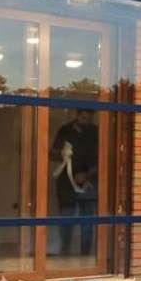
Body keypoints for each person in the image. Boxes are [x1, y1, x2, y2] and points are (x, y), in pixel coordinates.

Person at [51, 109, 99, 257]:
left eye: (89, 117)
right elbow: (52, 153)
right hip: (67, 184)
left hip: (89, 183)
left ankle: (86, 256)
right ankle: (64, 252)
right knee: (66, 221)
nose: (86, 120)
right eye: (83, 117)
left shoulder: (95, 132)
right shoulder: (65, 131)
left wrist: (87, 175)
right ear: (77, 115)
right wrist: (62, 153)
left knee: (87, 224)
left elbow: (103, 158)